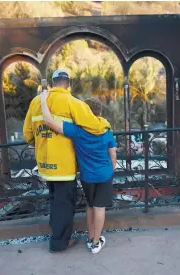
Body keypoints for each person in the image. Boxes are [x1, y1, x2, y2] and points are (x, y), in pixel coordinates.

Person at [23, 69, 111, 253]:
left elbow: (28, 134)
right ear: (68, 83)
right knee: (64, 204)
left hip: (45, 165)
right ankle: (59, 242)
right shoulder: (72, 102)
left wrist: (40, 143)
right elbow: (95, 126)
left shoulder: (36, 102)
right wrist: (106, 126)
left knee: (55, 200)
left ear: (53, 82)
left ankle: (57, 232)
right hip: (63, 165)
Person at [40, 90, 116, 254]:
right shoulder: (106, 129)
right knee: (100, 207)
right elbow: (113, 155)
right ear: (99, 112)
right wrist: (112, 169)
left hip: (87, 176)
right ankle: (96, 243)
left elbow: (49, 121)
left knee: (90, 206)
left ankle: (90, 238)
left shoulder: (77, 131)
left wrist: (43, 100)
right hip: (105, 175)